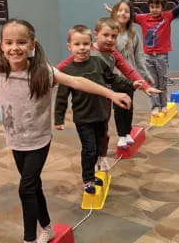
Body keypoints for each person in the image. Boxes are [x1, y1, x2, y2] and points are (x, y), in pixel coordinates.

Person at [0, 19, 131, 243]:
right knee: (33, 187)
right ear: (1, 45)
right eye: (9, 42)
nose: (15, 48)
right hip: (14, 140)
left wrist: (111, 94)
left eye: (21, 42)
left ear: (32, 44)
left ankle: (29, 239)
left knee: (26, 189)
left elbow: (77, 81)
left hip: (38, 141)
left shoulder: (43, 72)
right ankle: (47, 228)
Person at [57, 18, 161, 170]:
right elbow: (61, 67)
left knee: (103, 131)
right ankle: (90, 159)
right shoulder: (86, 50)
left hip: (105, 97)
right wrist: (46, 77)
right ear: (96, 35)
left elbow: (128, 71)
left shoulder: (114, 54)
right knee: (88, 133)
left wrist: (144, 86)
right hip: (85, 100)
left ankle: (102, 157)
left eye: (114, 36)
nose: (110, 39)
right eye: (106, 35)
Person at [54, 25, 141, 194]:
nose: (82, 48)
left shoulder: (98, 62)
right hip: (83, 118)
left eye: (85, 44)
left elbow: (113, 79)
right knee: (89, 149)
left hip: (101, 115)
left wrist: (131, 84)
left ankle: (93, 175)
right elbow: (61, 97)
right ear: (69, 47)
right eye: (77, 44)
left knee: (100, 145)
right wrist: (59, 119)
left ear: (91, 44)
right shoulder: (67, 71)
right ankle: (87, 179)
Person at [103, 0, 153, 149]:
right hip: (114, 77)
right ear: (115, 12)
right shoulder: (110, 32)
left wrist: (146, 76)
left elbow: (139, 57)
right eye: (120, 10)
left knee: (128, 105)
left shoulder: (133, 33)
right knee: (118, 107)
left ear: (130, 15)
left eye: (126, 11)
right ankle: (121, 135)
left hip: (130, 77)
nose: (123, 13)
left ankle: (127, 132)